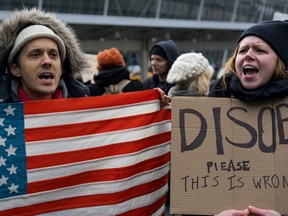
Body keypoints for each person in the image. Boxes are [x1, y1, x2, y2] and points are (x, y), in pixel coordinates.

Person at [209, 20, 288, 216]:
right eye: (242, 50)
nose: (248, 55)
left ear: (281, 61)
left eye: (260, 50)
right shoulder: (216, 97)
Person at [0, 8, 90, 103]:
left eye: (53, 55)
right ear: (15, 69)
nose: (47, 61)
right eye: (35, 55)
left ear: (61, 68)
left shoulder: (84, 111)